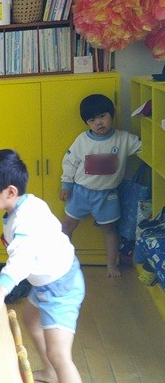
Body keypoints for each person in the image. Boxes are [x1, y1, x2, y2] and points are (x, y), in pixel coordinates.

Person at [0, 149, 85, 383]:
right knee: (31, 320)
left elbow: (22, 259)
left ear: (10, 191)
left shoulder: (26, 220)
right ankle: (50, 372)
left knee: (61, 356)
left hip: (60, 287)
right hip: (48, 280)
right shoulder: (25, 205)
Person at [60, 93, 141, 277]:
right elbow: (70, 162)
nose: (99, 122)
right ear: (87, 123)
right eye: (92, 120)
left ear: (113, 114)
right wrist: (66, 185)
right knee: (67, 226)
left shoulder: (123, 139)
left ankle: (111, 264)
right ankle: (63, 263)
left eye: (103, 116)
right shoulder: (82, 140)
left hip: (107, 195)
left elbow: (144, 147)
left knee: (110, 230)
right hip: (80, 192)